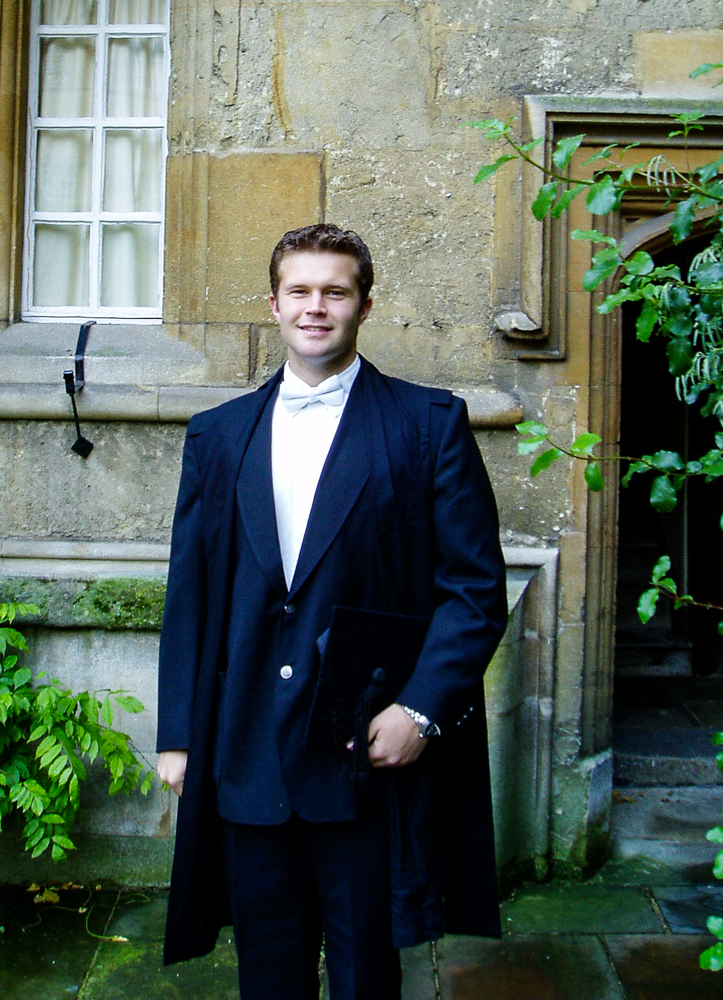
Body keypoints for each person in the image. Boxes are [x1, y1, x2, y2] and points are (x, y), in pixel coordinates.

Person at [155, 223, 507, 1000]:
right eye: (301, 292)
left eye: (335, 292)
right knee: (267, 975)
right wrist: (178, 735)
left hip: (361, 755)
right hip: (244, 745)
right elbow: (191, 593)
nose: (317, 308)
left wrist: (419, 711)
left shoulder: (426, 425)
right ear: (274, 304)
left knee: (365, 977)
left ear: (364, 304)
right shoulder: (216, 436)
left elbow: (475, 589)